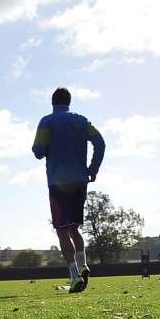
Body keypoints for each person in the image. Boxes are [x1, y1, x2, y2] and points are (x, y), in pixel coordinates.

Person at [32, 87, 105, 294]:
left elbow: (38, 151)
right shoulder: (82, 121)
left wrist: (48, 148)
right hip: (80, 180)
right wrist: (93, 168)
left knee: (62, 229)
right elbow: (100, 142)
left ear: (52, 102)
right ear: (69, 101)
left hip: (57, 182)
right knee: (75, 228)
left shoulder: (46, 121)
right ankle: (83, 265)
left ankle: (74, 276)